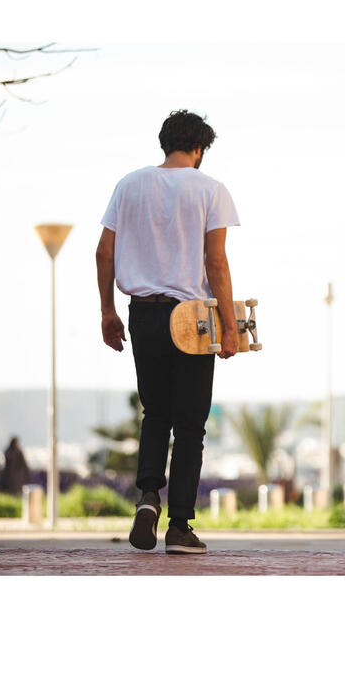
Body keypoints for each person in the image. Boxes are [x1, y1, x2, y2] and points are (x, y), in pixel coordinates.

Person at [96, 110, 240, 554]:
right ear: (199, 150)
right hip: (191, 316)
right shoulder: (210, 190)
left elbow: (104, 252)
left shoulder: (129, 185)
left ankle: (147, 498)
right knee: (190, 424)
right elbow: (215, 263)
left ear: (166, 144)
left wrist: (107, 311)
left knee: (155, 413)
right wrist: (231, 327)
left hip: (142, 313)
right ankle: (179, 527)